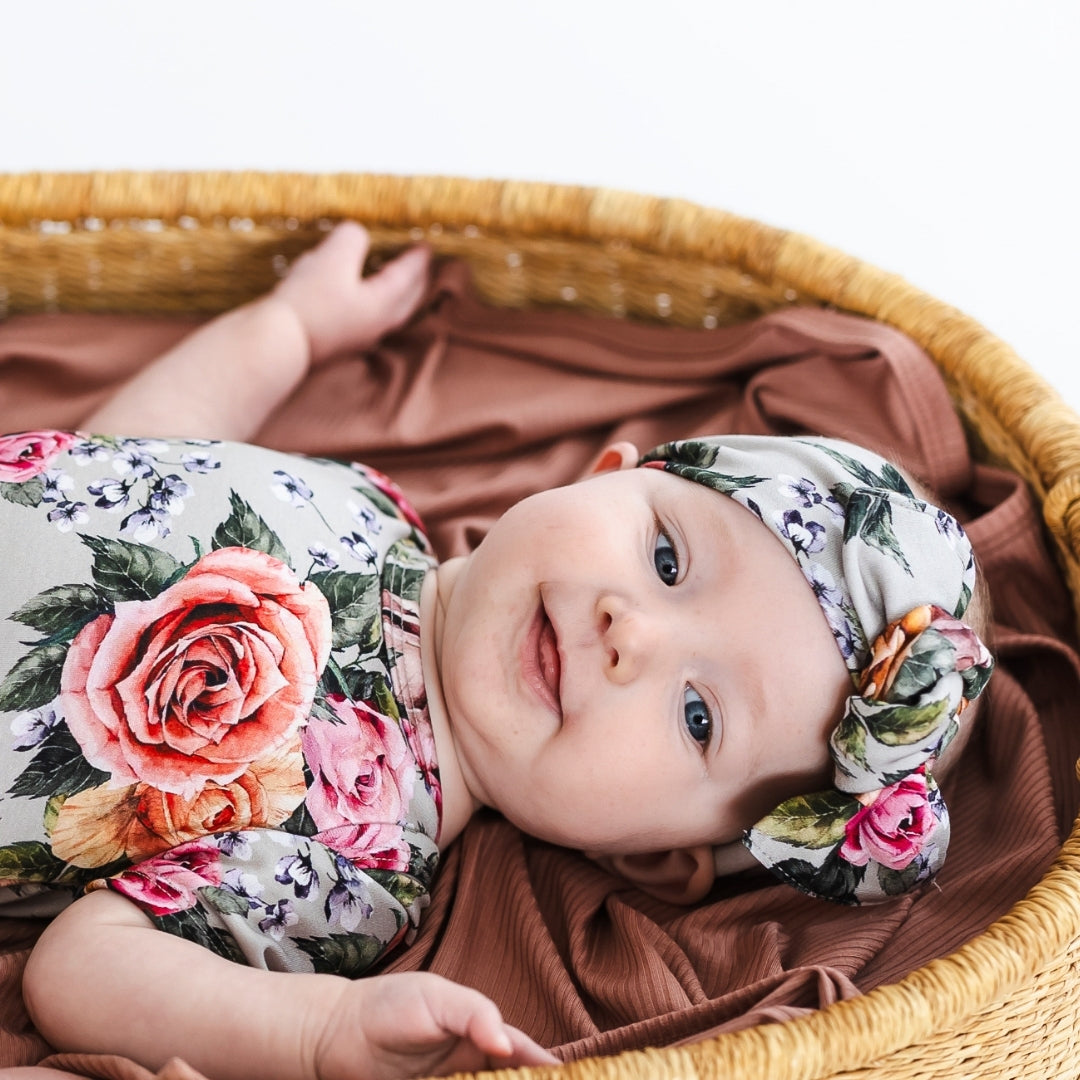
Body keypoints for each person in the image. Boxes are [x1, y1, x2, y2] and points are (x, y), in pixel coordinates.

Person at [0, 224, 993, 1080]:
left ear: (657, 858)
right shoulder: (368, 506)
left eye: (698, 715)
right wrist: (285, 332)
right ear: (603, 475)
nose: (631, 633)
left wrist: (319, 1032)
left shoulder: (364, 857)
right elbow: (131, 461)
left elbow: (84, 965)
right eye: (665, 556)